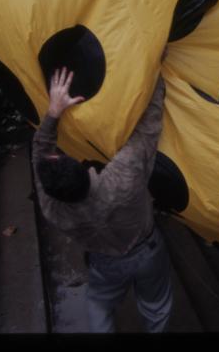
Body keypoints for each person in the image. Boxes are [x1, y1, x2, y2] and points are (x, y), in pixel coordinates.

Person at [31, 66, 173, 333]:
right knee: (156, 306)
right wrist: (151, 66)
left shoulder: (52, 209)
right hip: (147, 251)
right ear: (82, 167)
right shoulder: (124, 175)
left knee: (99, 306)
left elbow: (39, 151)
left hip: (104, 261)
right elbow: (148, 126)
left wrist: (53, 113)